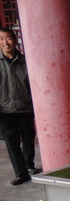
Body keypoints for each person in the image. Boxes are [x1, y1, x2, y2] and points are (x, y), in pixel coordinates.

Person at [0, 27, 39, 186]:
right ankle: (20, 172)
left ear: (15, 41)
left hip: (25, 107)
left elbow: (35, 85)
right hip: (4, 109)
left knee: (28, 137)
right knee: (11, 140)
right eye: (1, 39)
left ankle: (29, 165)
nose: (5, 42)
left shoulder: (26, 61)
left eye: (8, 38)